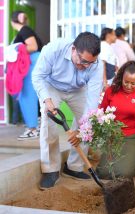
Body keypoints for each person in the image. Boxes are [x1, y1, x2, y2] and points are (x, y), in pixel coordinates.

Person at [32, 32, 103, 190]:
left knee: (87, 124)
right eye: (83, 61)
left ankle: (74, 167)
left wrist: (82, 131)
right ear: (73, 49)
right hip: (52, 86)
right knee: (48, 120)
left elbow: (91, 105)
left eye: (90, 63)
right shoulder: (53, 49)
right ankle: (51, 170)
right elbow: (37, 76)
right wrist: (47, 99)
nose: (86, 66)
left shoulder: (96, 66)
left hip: (78, 90)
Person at [98, 61, 135, 178]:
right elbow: (101, 112)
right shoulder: (111, 91)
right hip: (113, 135)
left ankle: (132, 160)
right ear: (121, 78)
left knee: (125, 174)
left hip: (132, 136)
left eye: (133, 83)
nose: (128, 86)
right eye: (126, 82)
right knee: (103, 173)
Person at [10, 11, 43, 140]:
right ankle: (33, 126)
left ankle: (32, 129)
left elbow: (33, 46)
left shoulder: (24, 30)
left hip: (31, 63)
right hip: (31, 63)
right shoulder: (25, 30)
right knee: (28, 94)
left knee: (26, 94)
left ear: (13, 22)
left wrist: (14, 51)